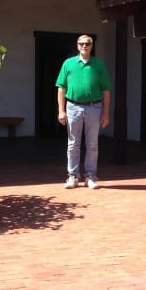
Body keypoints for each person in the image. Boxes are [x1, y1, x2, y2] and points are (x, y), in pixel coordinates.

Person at [55, 34, 111, 189]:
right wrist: (61, 110)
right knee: (73, 144)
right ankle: (72, 176)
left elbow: (106, 90)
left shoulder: (99, 65)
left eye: (87, 43)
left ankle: (90, 176)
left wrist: (106, 113)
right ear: (77, 45)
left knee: (93, 144)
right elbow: (61, 87)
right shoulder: (68, 63)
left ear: (92, 46)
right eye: (81, 44)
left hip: (94, 107)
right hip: (73, 106)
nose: (84, 46)